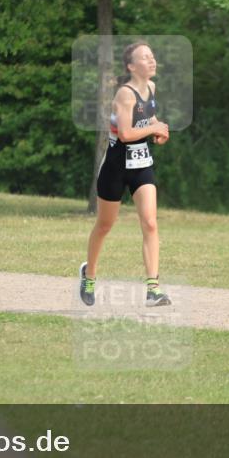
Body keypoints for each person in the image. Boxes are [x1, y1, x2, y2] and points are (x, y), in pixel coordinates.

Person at [80, 42, 172, 307]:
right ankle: (89, 275)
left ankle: (153, 290)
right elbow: (126, 134)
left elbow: (145, 123)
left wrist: (158, 130)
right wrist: (153, 127)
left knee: (150, 223)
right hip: (116, 166)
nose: (152, 60)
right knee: (104, 225)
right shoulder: (124, 94)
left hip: (141, 165)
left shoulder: (151, 88)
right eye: (145, 57)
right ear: (131, 66)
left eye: (153, 56)